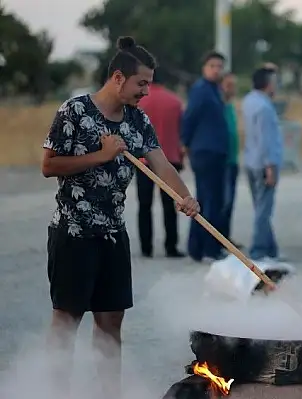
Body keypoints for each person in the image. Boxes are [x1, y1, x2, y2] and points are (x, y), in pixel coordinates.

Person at [40, 36, 200, 398]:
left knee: (111, 321)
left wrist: (184, 197)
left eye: (149, 83)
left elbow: (161, 163)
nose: (146, 91)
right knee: (66, 320)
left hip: (113, 234)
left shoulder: (137, 119)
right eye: (141, 83)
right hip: (73, 233)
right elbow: (48, 166)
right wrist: (100, 155)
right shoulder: (74, 111)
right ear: (118, 77)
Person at [181, 51, 230, 262]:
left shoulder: (215, 90)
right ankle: (207, 248)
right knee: (208, 200)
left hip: (216, 152)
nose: (216, 70)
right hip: (205, 151)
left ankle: (203, 247)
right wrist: (186, 144)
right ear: (204, 68)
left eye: (219, 66)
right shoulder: (201, 90)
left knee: (213, 200)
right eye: (212, 66)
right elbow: (189, 117)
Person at [135, 69, 185, 258]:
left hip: (144, 160)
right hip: (170, 159)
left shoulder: (140, 102)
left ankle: (146, 248)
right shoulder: (175, 102)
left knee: (144, 205)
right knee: (169, 204)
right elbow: (182, 132)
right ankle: (171, 246)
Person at [242, 67, 283, 260]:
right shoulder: (265, 108)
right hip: (264, 163)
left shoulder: (249, 101)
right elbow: (266, 139)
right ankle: (258, 250)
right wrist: (270, 167)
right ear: (268, 84)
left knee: (260, 207)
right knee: (264, 210)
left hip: (251, 160)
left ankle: (270, 249)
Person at [221, 73, 242, 245]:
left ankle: (226, 236)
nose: (232, 89)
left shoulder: (231, 106)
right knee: (223, 201)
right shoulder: (218, 106)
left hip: (233, 160)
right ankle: (219, 237)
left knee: (230, 202)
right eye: (228, 85)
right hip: (223, 161)